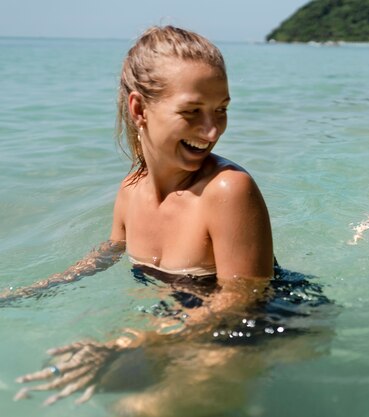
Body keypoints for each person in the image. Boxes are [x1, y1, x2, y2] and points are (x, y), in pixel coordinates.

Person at [3, 25, 276, 406]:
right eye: (192, 111)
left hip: (256, 329)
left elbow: (243, 300)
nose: (212, 130)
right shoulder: (130, 190)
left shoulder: (228, 190)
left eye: (221, 110)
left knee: (141, 408)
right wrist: (29, 292)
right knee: (56, 384)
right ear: (139, 109)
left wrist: (131, 342)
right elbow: (106, 254)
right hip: (180, 326)